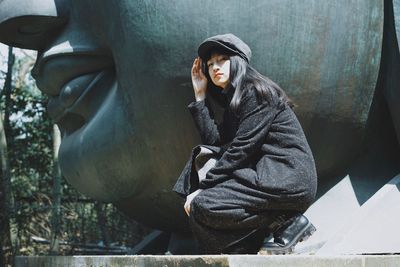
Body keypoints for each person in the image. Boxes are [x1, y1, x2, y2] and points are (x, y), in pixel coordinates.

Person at [173, 33, 318, 254]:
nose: (214, 68)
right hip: (263, 178)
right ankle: (255, 241)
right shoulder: (236, 101)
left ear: (238, 61)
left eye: (222, 59)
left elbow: (240, 150)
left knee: (203, 204)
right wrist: (200, 96)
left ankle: (284, 222)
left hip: (286, 177)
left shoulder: (257, 92)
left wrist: (203, 188)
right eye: (210, 64)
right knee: (201, 213)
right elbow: (217, 144)